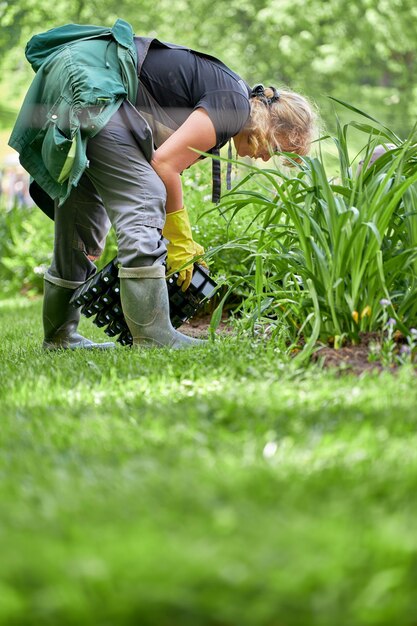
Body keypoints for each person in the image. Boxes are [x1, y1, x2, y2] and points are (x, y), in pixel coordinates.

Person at [9, 19, 316, 350]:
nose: (267, 159)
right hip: (92, 79)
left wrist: (178, 234)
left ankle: (60, 337)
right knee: (144, 196)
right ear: (272, 126)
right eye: (276, 149)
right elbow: (163, 166)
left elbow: (161, 163)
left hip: (76, 73)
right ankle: (152, 336)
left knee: (85, 216)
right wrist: (179, 236)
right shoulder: (233, 105)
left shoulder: (228, 103)